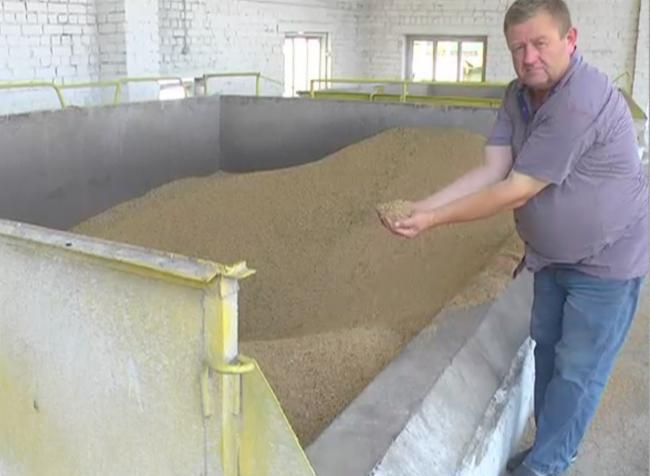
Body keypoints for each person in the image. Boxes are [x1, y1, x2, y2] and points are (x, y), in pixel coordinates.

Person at [379, 0, 648, 475]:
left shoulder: (580, 99)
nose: (529, 57)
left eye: (540, 43)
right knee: (548, 353)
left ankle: (547, 464)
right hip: (550, 257)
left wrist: (434, 221)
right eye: (518, 48)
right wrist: (423, 206)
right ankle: (551, 450)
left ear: (570, 40)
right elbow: (493, 169)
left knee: (578, 369)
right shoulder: (517, 96)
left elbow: (516, 189)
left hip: (607, 260)